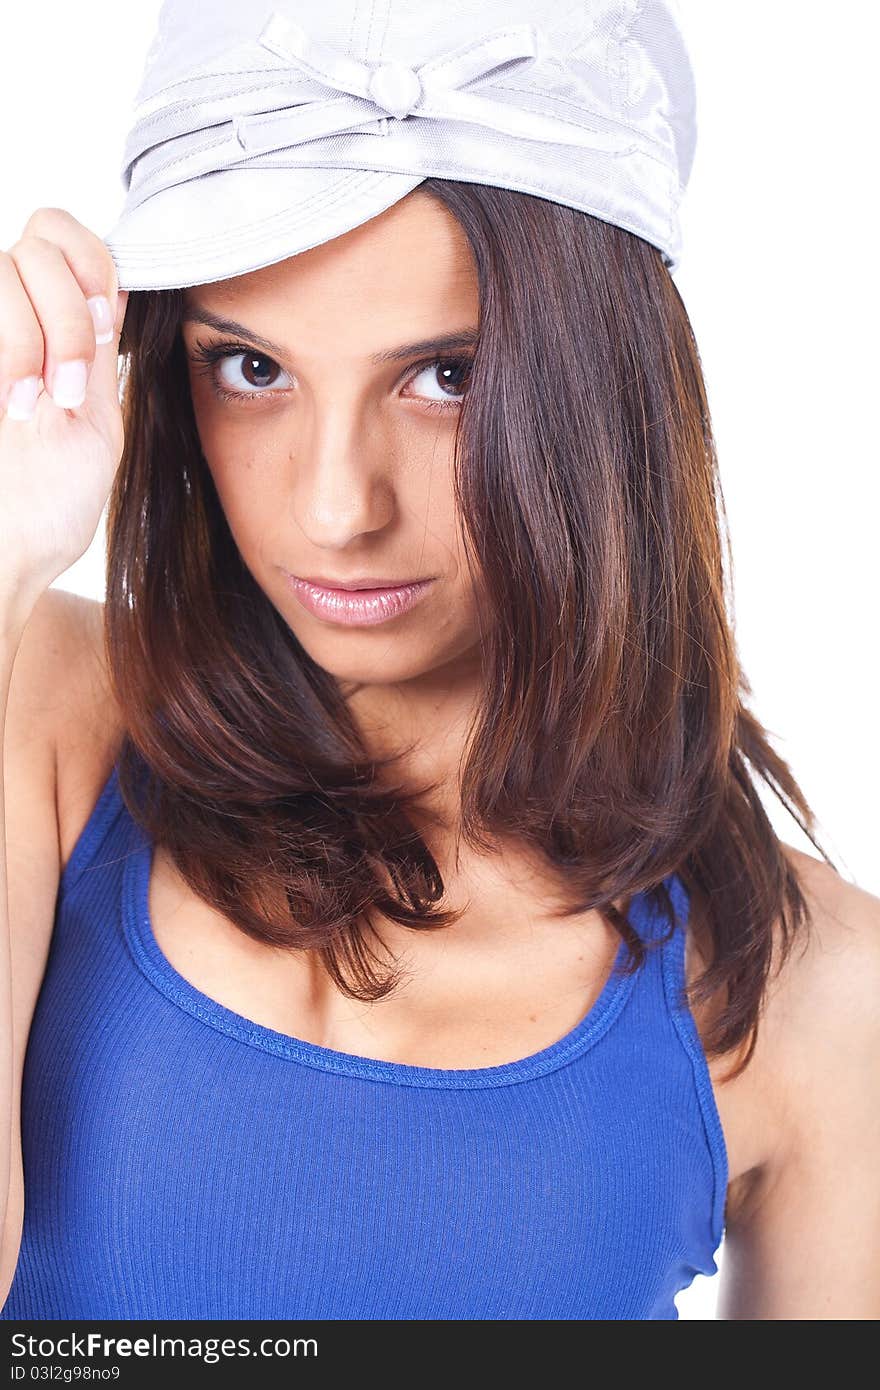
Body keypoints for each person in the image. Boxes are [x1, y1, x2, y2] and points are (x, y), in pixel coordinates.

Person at [0, 0, 877, 1322]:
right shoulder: (42, 701)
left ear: (606, 383)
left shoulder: (814, 992)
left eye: (447, 377)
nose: (336, 507)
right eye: (249, 365)